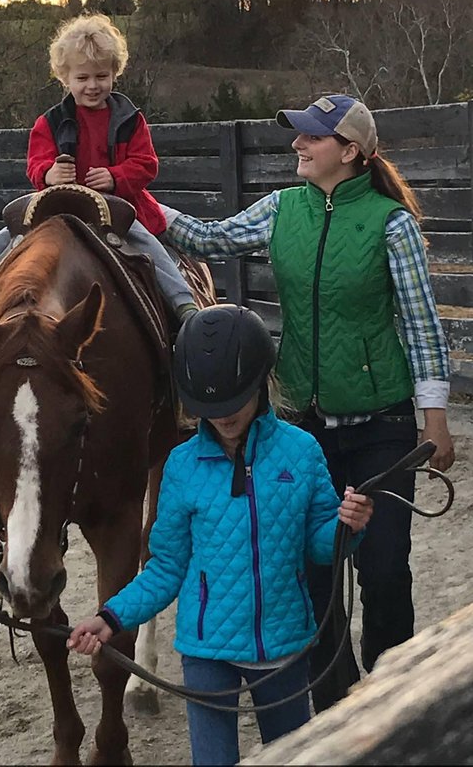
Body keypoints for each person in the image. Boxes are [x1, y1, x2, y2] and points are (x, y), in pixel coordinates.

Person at [155, 93, 455, 712]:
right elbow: (209, 239)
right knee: (314, 570)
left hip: (384, 425)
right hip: (300, 425)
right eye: (298, 136)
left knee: (383, 569)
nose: (297, 145)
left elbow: (423, 324)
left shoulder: (389, 224)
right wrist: (138, 207)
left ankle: (391, 697)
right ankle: (338, 705)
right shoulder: (281, 208)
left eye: (310, 138)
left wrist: (436, 419)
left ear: (349, 151)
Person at [67, 304, 373, 767]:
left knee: (289, 758)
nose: (224, 418)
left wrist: (348, 527)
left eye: (234, 403)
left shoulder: (302, 451)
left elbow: (318, 542)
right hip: (206, 650)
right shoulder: (181, 466)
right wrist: (111, 617)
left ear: (262, 385)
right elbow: (167, 566)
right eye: (210, 409)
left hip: (284, 642)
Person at [0, 13, 197, 364]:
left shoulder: (130, 119)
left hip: (114, 207)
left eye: (101, 76)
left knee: (149, 245)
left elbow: (147, 163)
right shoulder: (49, 122)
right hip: (57, 206)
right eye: (82, 78)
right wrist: (49, 175)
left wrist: (115, 176)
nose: (92, 85)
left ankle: (186, 310)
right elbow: (34, 163)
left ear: (115, 73)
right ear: (65, 78)